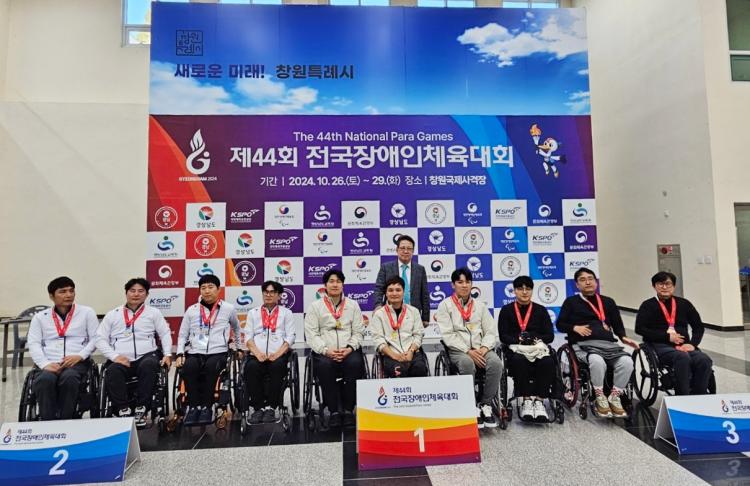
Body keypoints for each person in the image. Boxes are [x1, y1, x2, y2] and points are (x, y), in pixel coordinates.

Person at [557, 267, 639, 418]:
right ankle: (600, 396)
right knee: (597, 360)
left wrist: (623, 337)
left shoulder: (608, 302)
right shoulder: (571, 302)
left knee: (627, 362)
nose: (587, 282)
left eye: (590, 279)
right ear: (577, 285)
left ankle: (614, 396)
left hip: (608, 345)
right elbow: (560, 324)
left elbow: (617, 323)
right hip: (583, 346)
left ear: (596, 282)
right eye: (583, 280)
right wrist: (575, 327)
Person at [96, 278, 172, 427]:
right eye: (132, 291)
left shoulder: (153, 313)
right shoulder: (113, 314)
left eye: (140, 291)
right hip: (120, 358)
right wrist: (114, 356)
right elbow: (100, 339)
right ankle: (122, 409)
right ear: (126, 293)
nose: (136, 294)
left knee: (149, 365)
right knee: (112, 371)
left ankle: (141, 408)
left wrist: (168, 354)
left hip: (146, 355)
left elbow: (164, 333)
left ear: (147, 294)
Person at [436, 268, 501, 428]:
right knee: (467, 363)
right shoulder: (445, 305)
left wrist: (484, 348)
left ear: (472, 284)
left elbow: (490, 331)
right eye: (460, 282)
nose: (464, 285)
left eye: (467, 282)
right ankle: (470, 405)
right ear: (453, 285)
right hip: (458, 350)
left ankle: (485, 404)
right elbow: (448, 335)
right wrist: (467, 351)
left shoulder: (480, 306)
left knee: (496, 363)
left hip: (481, 349)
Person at [27, 276, 99, 420]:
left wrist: (80, 356)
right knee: (44, 380)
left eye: (71, 291)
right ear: (51, 296)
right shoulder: (40, 317)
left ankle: (66, 419)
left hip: (76, 362)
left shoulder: (87, 312)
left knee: (69, 378)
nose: (68, 295)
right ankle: (48, 421)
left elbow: (96, 338)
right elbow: (33, 343)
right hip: (49, 362)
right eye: (63, 291)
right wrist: (45, 364)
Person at [304, 269, 366, 428]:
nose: (335, 284)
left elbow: (358, 331)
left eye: (338, 281)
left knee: (355, 364)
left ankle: (348, 409)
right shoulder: (315, 307)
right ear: (325, 285)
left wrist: (350, 348)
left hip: (348, 350)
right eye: (331, 281)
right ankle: (334, 411)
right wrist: (326, 350)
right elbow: (311, 334)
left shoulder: (353, 305)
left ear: (343, 285)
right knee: (325, 366)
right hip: (325, 351)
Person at [176, 274, 240, 425]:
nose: (207, 291)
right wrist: (179, 353)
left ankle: (207, 407)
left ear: (218, 289)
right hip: (195, 351)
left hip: (218, 351)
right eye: (203, 288)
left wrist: (239, 348)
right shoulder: (191, 310)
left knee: (212, 367)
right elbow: (182, 334)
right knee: (188, 368)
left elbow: (237, 328)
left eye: (210, 287)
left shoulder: (228, 309)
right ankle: (193, 407)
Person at [635, 271, 713, 395]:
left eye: (668, 284)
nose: (664, 287)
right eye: (660, 284)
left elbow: (698, 327)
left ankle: (699, 395)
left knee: (704, 359)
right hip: (660, 345)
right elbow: (639, 328)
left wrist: (692, 344)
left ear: (674, 286)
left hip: (684, 346)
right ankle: (682, 396)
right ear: (654, 286)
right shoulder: (648, 305)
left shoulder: (684, 304)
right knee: (682, 357)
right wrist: (667, 337)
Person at [497, 276, 555, 422]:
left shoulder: (541, 310)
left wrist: (535, 338)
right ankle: (526, 400)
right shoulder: (506, 310)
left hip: (537, 348)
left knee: (548, 362)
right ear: (514, 291)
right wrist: (519, 339)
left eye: (528, 289)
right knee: (518, 361)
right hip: (516, 349)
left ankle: (540, 401)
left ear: (532, 291)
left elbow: (550, 336)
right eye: (520, 289)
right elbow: (503, 336)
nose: (524, 292)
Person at [243, 280, 296, 424]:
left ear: (279, 295)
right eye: (266, 292)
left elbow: (290, 337)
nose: (268, 295)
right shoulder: (253, 313)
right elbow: (248, 337)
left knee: (277, 367)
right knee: (251, 368)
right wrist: (257, 353)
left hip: (278, 355)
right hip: (257, 355)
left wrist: (278, 354)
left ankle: (271, 407)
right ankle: (258, 408)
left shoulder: (286, 313)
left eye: (272, 292)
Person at [370, 276, 428, 378]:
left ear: (403, 292)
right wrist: (395, 356)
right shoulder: (379, 314)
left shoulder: (413, 311)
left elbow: (418, 334)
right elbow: (378, 340)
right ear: (386, 293)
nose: (394, 293)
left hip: (412, 352)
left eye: (398, 290)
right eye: (390, 290)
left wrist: (411, 351)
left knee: (420, 369)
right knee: (399, 371)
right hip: (390, 355)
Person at [373, 235, 430, 326]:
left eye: (409, 248)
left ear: (413, 251)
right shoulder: (386, 267)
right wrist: (378, 305)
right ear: (397, 250)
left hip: (413, 314)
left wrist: (425, 317)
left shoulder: (420, 269)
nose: (406, 251)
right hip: (390, 313)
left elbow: (425, 294)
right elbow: (379, 289)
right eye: (402, 248)